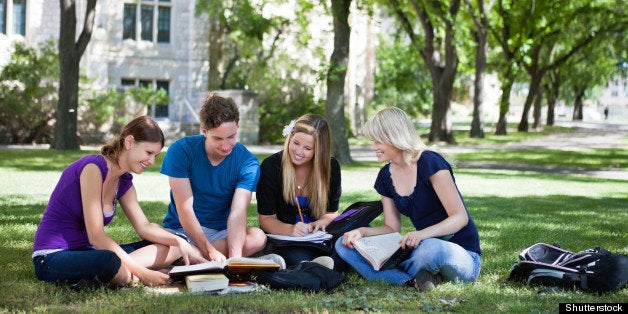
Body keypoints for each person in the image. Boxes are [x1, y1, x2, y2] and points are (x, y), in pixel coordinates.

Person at [32, 116, 205, 289]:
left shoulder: (124, 182)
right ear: (129, 142)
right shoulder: (93, 168)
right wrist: (144, 274)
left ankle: (106, 277)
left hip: (89, 253)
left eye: (155, 155)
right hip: (54, 256)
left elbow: (144, 227)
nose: (152, 161)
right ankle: (127, 274)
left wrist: (180, 242)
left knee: (172, 246)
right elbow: (96, 236)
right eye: (149, 153)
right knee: (110, 261)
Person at [335, 107, 481, 292]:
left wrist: (421, 234)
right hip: (419, 247)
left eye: (378, 141)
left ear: (395, 137)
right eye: (372, 141)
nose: (373, 147)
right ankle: (410, 280)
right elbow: (391, 228)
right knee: (343, 244)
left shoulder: (430, 162)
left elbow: (460, 217)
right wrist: (362, 232)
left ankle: (400, 273)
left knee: (430, 249)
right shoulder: (385, 176)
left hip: (460, 254)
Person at [161, 93, 266, 262]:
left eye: (231, 137)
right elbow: (185, 210)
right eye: (218, 138)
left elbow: (238, 213)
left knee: (258, 237)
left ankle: (188, 258)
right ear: (204, 131)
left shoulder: (248, 162)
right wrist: (209, 251)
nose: (225, 146)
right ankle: (193, 256)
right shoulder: (181, 151)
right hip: (182, 229)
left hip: (221, 233)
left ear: (238, 126)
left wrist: (235, 260)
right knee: (169, 246)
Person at [256, 114, 341, 267]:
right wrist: (291, 230)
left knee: (353, 238)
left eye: (308, 148)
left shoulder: (331, 167)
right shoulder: (271, 166)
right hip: (285, 238)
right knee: (296, 255)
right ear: (290, 137)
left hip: (317, 238)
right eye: (295, 143)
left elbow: (331, 213)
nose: (299, 151)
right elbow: (266, 219)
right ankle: (316, 264)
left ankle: (317, 263)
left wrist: (321, 222)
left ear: (319, 151)